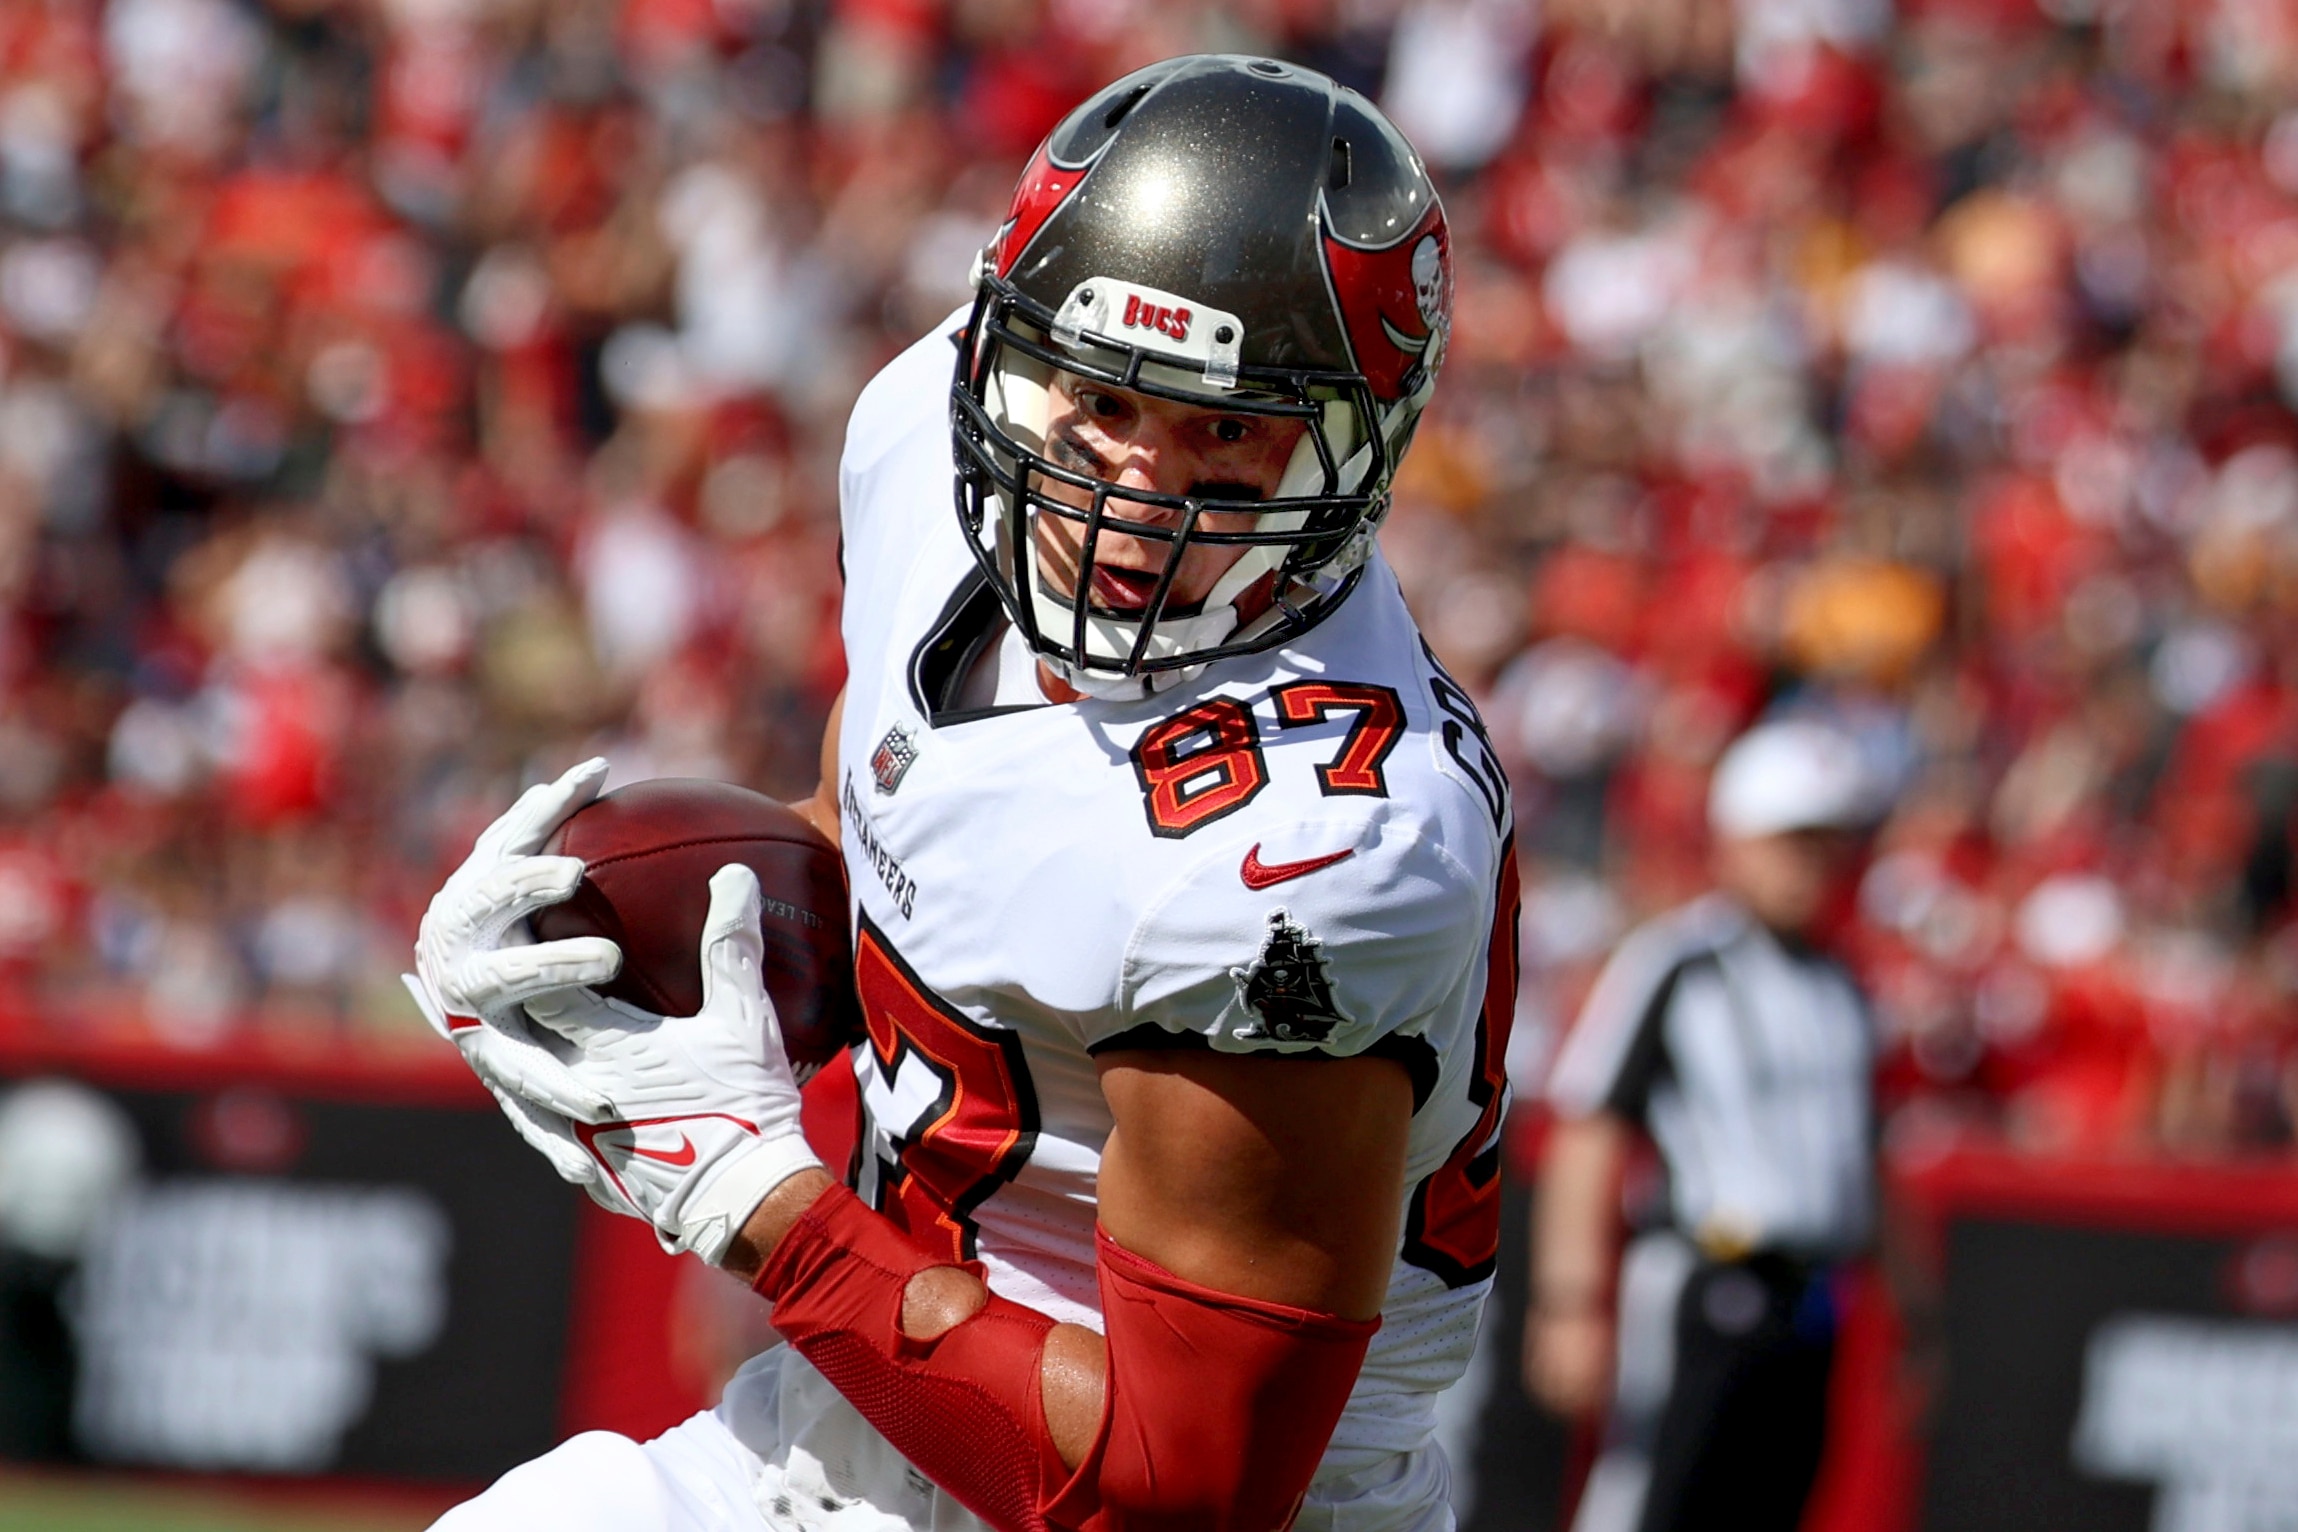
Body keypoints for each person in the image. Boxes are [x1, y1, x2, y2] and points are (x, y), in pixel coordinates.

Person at [406, 54, 1520, 1532]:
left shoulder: (1318, 846)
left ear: (1354, 451)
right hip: (842, 1427)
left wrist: (751, 1199)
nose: (1134, 488)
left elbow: (1179, 1493)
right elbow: (878, 857)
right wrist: (594, 961)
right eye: (1104, 399)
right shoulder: (925, 441)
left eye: (1229, 434)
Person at [1527, 719, 1882, 1532]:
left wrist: (1915, 1313)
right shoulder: (1680, 962)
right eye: (1795, 841)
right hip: (1701, 1283)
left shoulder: (1844, 985)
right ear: (1739, 841)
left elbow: (1867, 1154)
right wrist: (1572, 1300)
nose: (1813, 866)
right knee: (1654, 1498)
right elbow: (1592, 1126)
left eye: (1829, 844)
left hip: (1811, 1299)